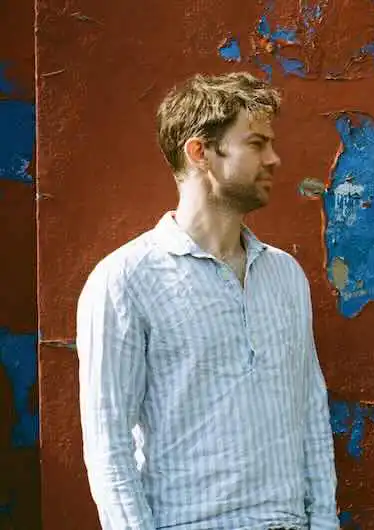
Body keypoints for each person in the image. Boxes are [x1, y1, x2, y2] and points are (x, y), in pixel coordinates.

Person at [76, 72, 338, 530]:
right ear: (200, 152)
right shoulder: (125, 281)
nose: (274, 159)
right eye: (256, 144)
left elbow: (312, 415)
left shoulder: (285, 275)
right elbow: (108, 446)